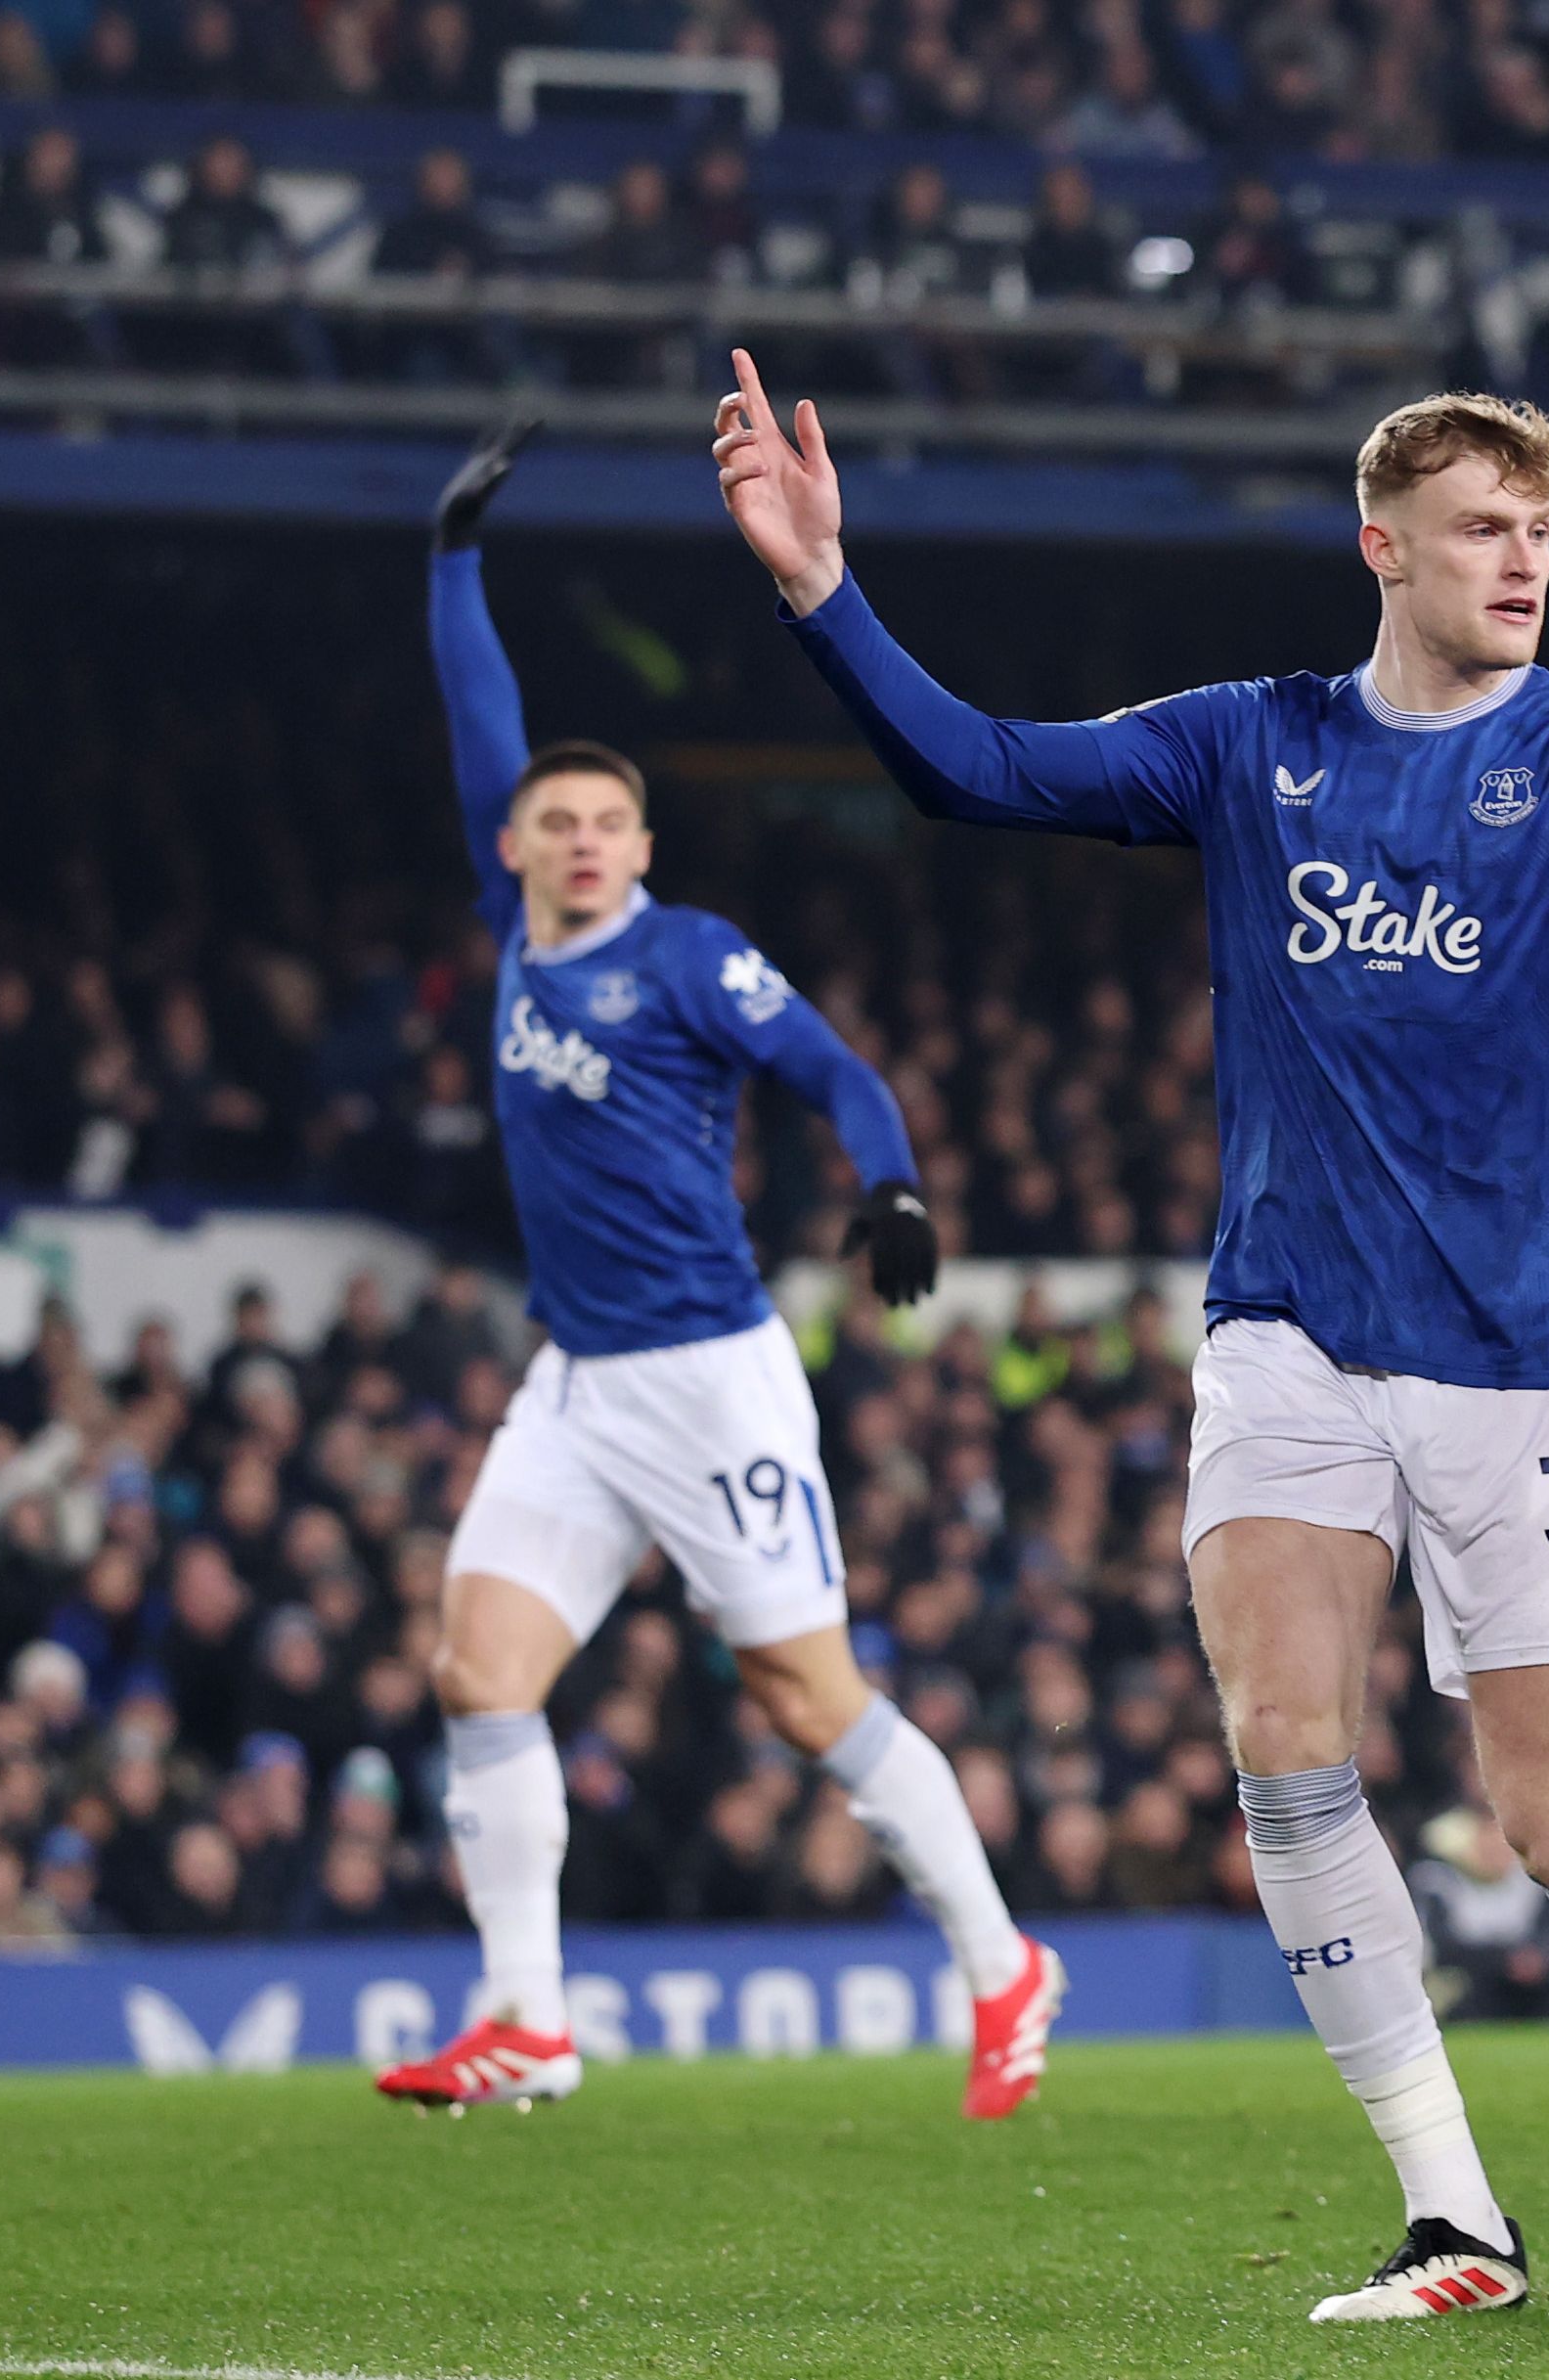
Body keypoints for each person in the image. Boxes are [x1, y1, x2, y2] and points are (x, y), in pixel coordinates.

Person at [712, 355, 1549, 2323]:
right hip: (1289, 1337)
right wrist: (823, 592)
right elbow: (977, 765)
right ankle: (1453, 2217)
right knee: (1285, 1740)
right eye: (1486, 527)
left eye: (1545, 529)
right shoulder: (1254, 743)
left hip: (1524, 1365)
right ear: (1381, 544)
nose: (1526, 560)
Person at [374, 419, 1057, 2124]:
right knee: (477, 1670)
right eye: (557, 819)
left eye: (610, 821)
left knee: (805, 1695)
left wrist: (890, 1189)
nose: (582, 839)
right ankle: (526, 2015)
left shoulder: (691, 958)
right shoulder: (516, 927)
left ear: (645, 849)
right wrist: (455, 557)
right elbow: (476, 722)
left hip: (709, 1373)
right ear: (519, 846)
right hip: (578, 1379)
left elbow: (838, 1072)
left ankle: (1000, 1963)